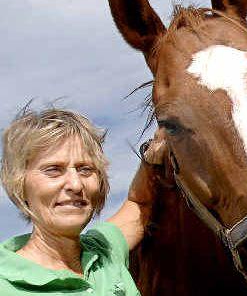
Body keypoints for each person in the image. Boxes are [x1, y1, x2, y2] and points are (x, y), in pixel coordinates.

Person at [0, 108, 166, 294]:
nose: (76, 184)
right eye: (53, 170)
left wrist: (154, 152)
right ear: (19, 183)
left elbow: (139, 202)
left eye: (85, 169)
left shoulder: (104, 250)